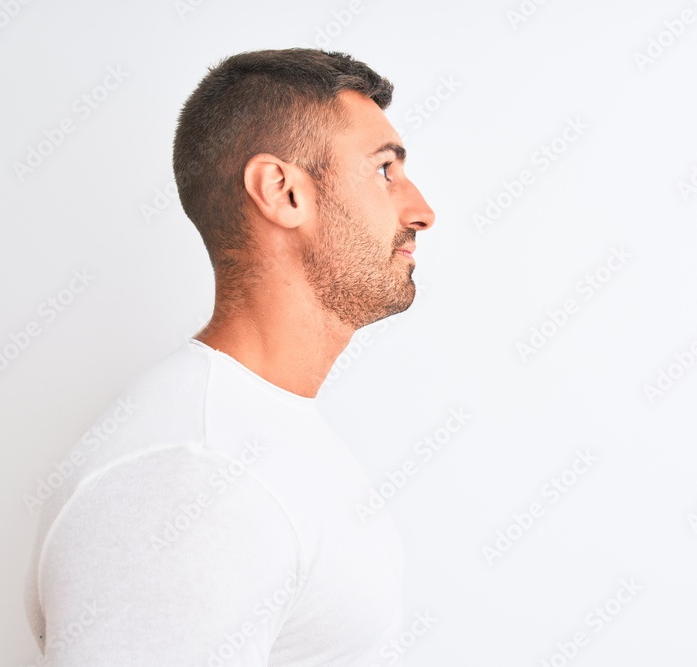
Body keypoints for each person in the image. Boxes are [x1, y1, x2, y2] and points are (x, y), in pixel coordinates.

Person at [23, 48, 436, 666]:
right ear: (282, 191)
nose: (421, 211)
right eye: (384, 171)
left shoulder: (258, 435)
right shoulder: (192, 478)